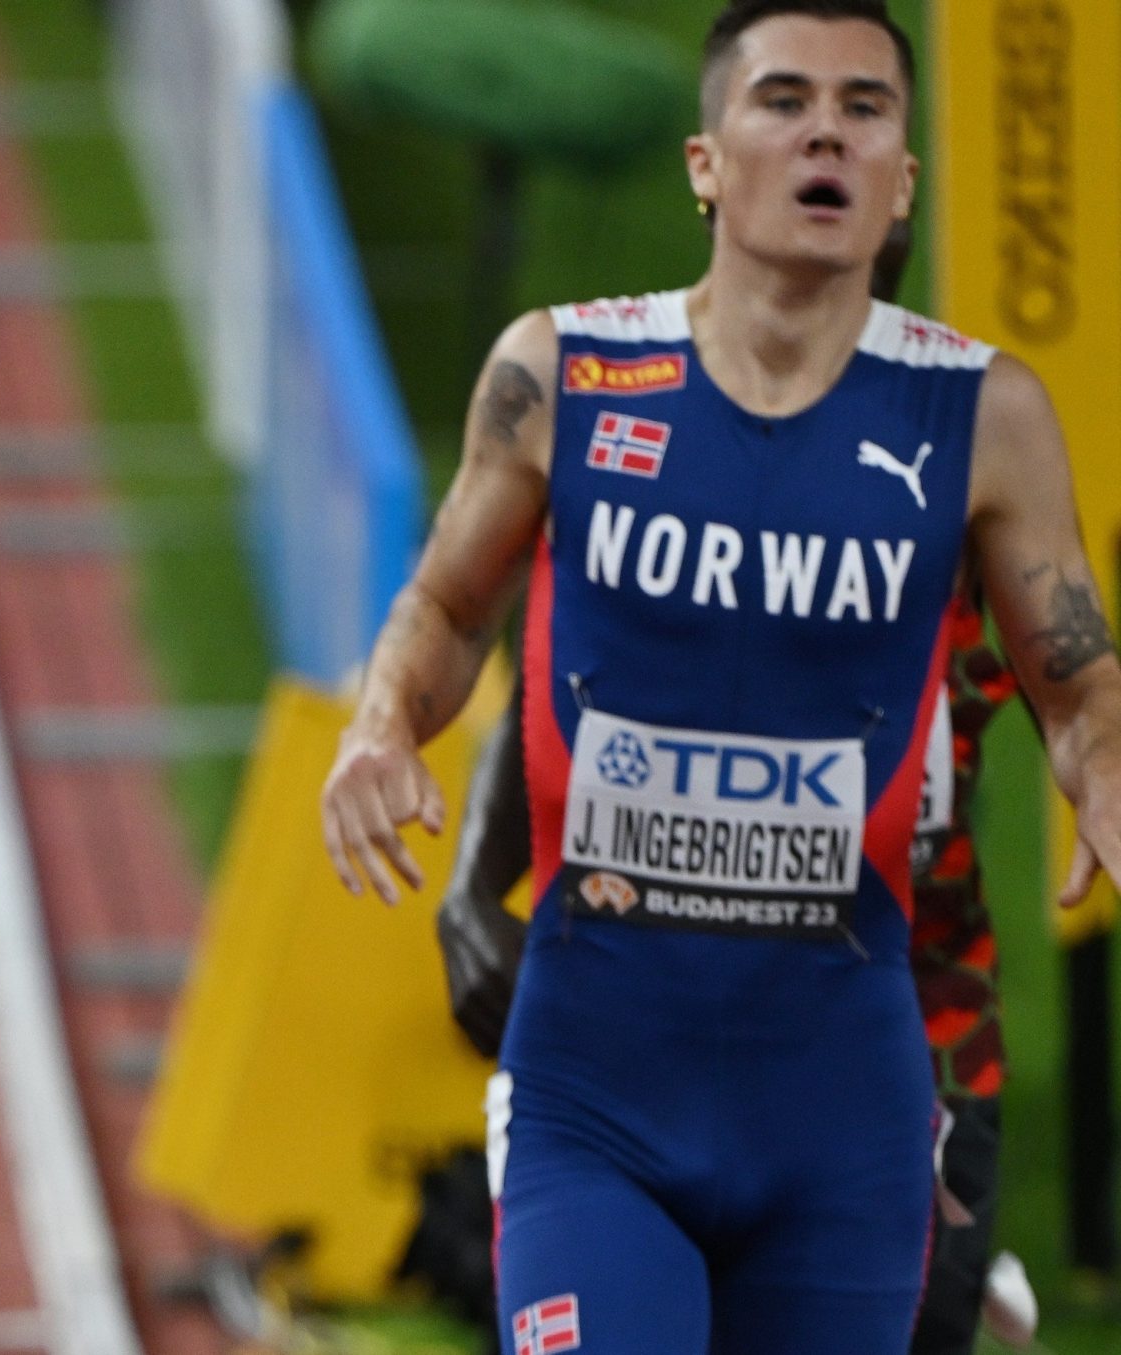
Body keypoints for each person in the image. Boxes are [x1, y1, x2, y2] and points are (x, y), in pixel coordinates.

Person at [318, 1, 1121, 1349]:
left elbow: (1077, 681)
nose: (827, 131)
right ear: (705, 162)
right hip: (599, 1089)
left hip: (841, 1112)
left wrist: (1102, 771)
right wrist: (381, 720)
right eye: (785, 100)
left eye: (865, 110)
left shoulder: (985, 414)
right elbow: (451, 606)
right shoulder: (564, 369)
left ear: (901, 178)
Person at [432, 220, 1036, 1355]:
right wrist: (472, 888)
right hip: (634, 1059)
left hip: (898, 1061)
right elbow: (553, 694)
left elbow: (1081, 687)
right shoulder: (668, 455)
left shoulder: (974, 469)